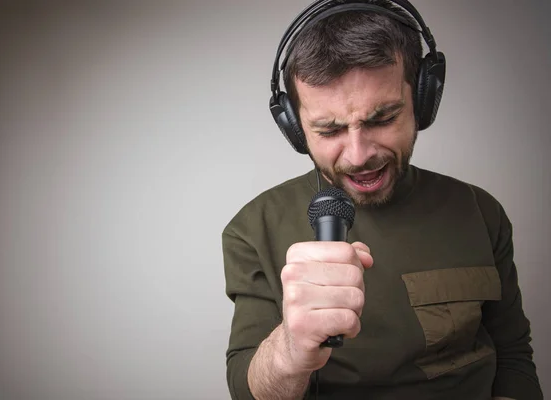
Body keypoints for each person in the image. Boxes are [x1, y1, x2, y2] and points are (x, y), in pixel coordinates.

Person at [221, 0, 543, 399]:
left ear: (424, 101)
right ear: (296, 129)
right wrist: (290, 348)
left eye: (382, 119)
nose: (358, 155)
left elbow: (512, 356)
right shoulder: (252, 230)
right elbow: (247, 389)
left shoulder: (480, 211)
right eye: (329, 129)